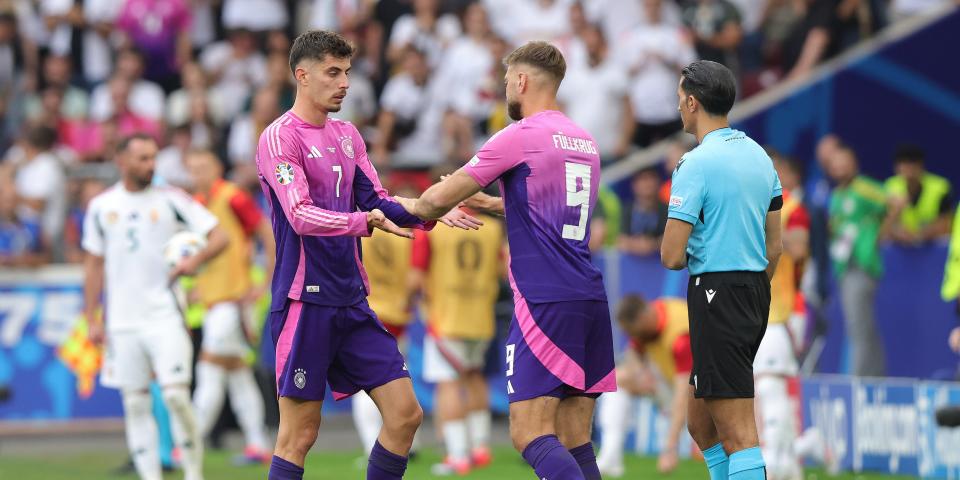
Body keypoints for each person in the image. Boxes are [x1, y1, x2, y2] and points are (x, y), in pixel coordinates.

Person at [256, 30, 478, 480]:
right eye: (333, 73)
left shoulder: (347, 134)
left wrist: (427, 210)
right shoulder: (279, 139)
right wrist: (364, 222)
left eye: (347, 73)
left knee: (405, 415)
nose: (344, 83)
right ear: (302, 75)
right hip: (306, 301)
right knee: (299, 435)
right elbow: (299, 215)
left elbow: (377, 198)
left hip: (351, 301)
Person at [396, 41, 615, 480]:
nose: (505, 91)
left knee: (529, 433)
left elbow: (435, 200)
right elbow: (552, 211)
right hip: (588, 297)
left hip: (543, 301)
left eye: (506, 82)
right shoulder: (584, 141)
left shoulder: (519, 135)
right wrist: (494, 204)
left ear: (522, 80)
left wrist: (399, 206)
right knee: (575, 439)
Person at [660, 60, 782, 480]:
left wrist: (725, 286)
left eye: (679, 97)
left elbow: (672, 256)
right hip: (751, 290)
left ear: (693, 103)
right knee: (701, 423)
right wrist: (748, 287)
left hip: (717, 292)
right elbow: (775, 245)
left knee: (738, 433)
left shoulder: (695, 164)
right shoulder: (761, 158)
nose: (678, 106)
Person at [82, 133, 230, 480]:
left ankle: (194, 473)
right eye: (143, 159)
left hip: (165, 316)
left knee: (177, 397)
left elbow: (219, 235)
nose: (151, 165)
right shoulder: (102, 207)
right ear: (122, 161)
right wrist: (92, 318)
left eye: (153, 158)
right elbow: (92, 264)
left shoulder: (171, 199)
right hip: (122, 322)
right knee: (135, 403)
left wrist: (196, 261)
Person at [185, 149, 275, 465]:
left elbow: (266, 229)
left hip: (234, 301)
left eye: (203, 166)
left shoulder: (232, 197)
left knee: (208, 369)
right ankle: (257, 444)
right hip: (215, 301)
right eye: (192, 168)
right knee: (238, 376)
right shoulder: (198, 203)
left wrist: (267, 279)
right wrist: (198, 287)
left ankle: (189, 443)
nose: (197, 173)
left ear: (217, 167)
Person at [411, 207, 504, 475]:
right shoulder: (491, 228)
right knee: (476, 378)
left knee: (448, 383)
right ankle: (479, 447)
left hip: (447, 319)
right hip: (481, 317)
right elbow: (501, 269)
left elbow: (416, 277)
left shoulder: (432, 228)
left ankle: (457, 455)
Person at [753, 167, 811, 480]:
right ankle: (790, 464)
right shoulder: (747, 204)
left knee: (770, 385)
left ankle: (776, 463)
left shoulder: (793, 209)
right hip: (755, 311)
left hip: (780, 312)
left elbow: (800, 249)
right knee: (767, 389)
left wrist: (763, 228)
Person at [596, 294, 693, 477]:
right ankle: (610, 457)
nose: (632, 337)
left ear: (642, 319)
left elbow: (684, 395)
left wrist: (670, 448)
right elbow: (632, 352)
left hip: (697, 393)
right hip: (667, 382)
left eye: (633, 332)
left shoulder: (681, 338)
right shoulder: (652, 317)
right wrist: (642, 372)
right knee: (618, 379)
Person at [826, 146, 897, 377]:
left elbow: (896, 203)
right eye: (835, 164)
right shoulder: (837, 195)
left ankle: (855, 381)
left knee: (857, 327)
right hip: (844, 266)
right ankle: (875, 376)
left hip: (862, 265)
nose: (839, 168)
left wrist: (880, 235)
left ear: (854, 162)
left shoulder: (864, 188)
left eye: (844, 162)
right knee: (863, 326)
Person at [884, 144, 953, 245]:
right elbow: (883, 223)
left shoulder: (940, 187)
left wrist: (919, 236)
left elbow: (946, 223)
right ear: (897, 167)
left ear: (921, 166)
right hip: (901, 248)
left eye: (913, 164)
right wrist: (897, 232)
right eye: (904, 164)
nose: (909, 169)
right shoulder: (890, 187)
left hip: (934, 247)